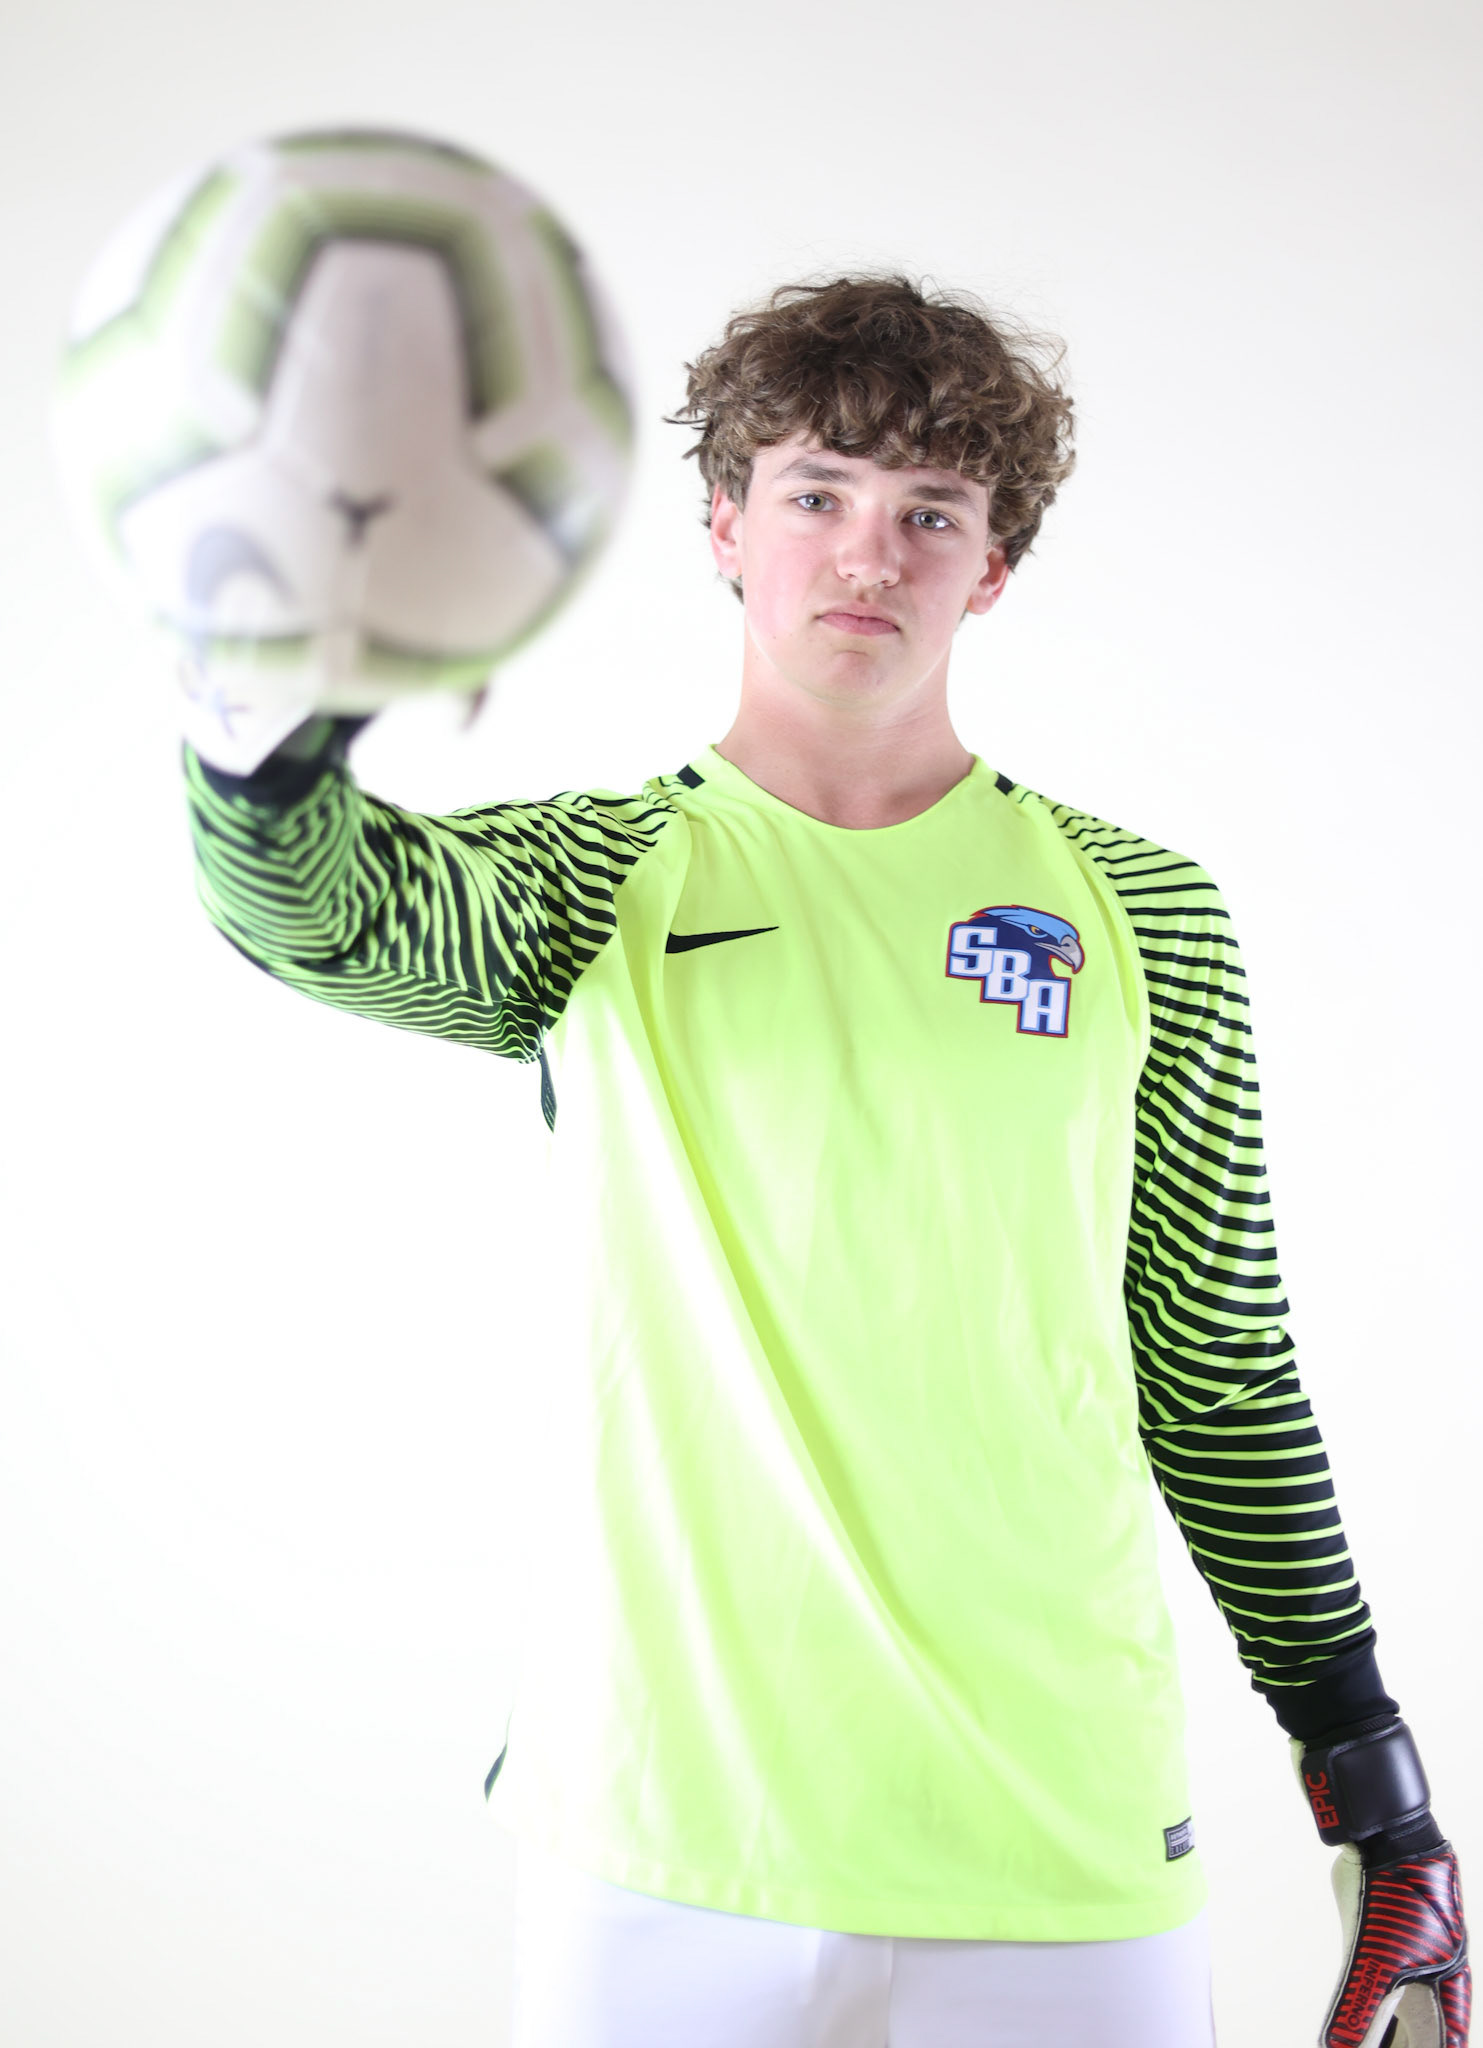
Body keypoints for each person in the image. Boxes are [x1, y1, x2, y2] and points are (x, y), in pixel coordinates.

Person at [181, 276, 1469, 2047]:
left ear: (992, 565)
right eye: (818, 495)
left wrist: (1374, 1787)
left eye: (930, 512)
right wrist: (261, 719)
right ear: (725, 526)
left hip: (1056, 1836)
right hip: (661, 1846)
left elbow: (1215, 1356)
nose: (870, 553)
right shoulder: (602, 879)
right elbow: (314, 910)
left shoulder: (1145, 911)